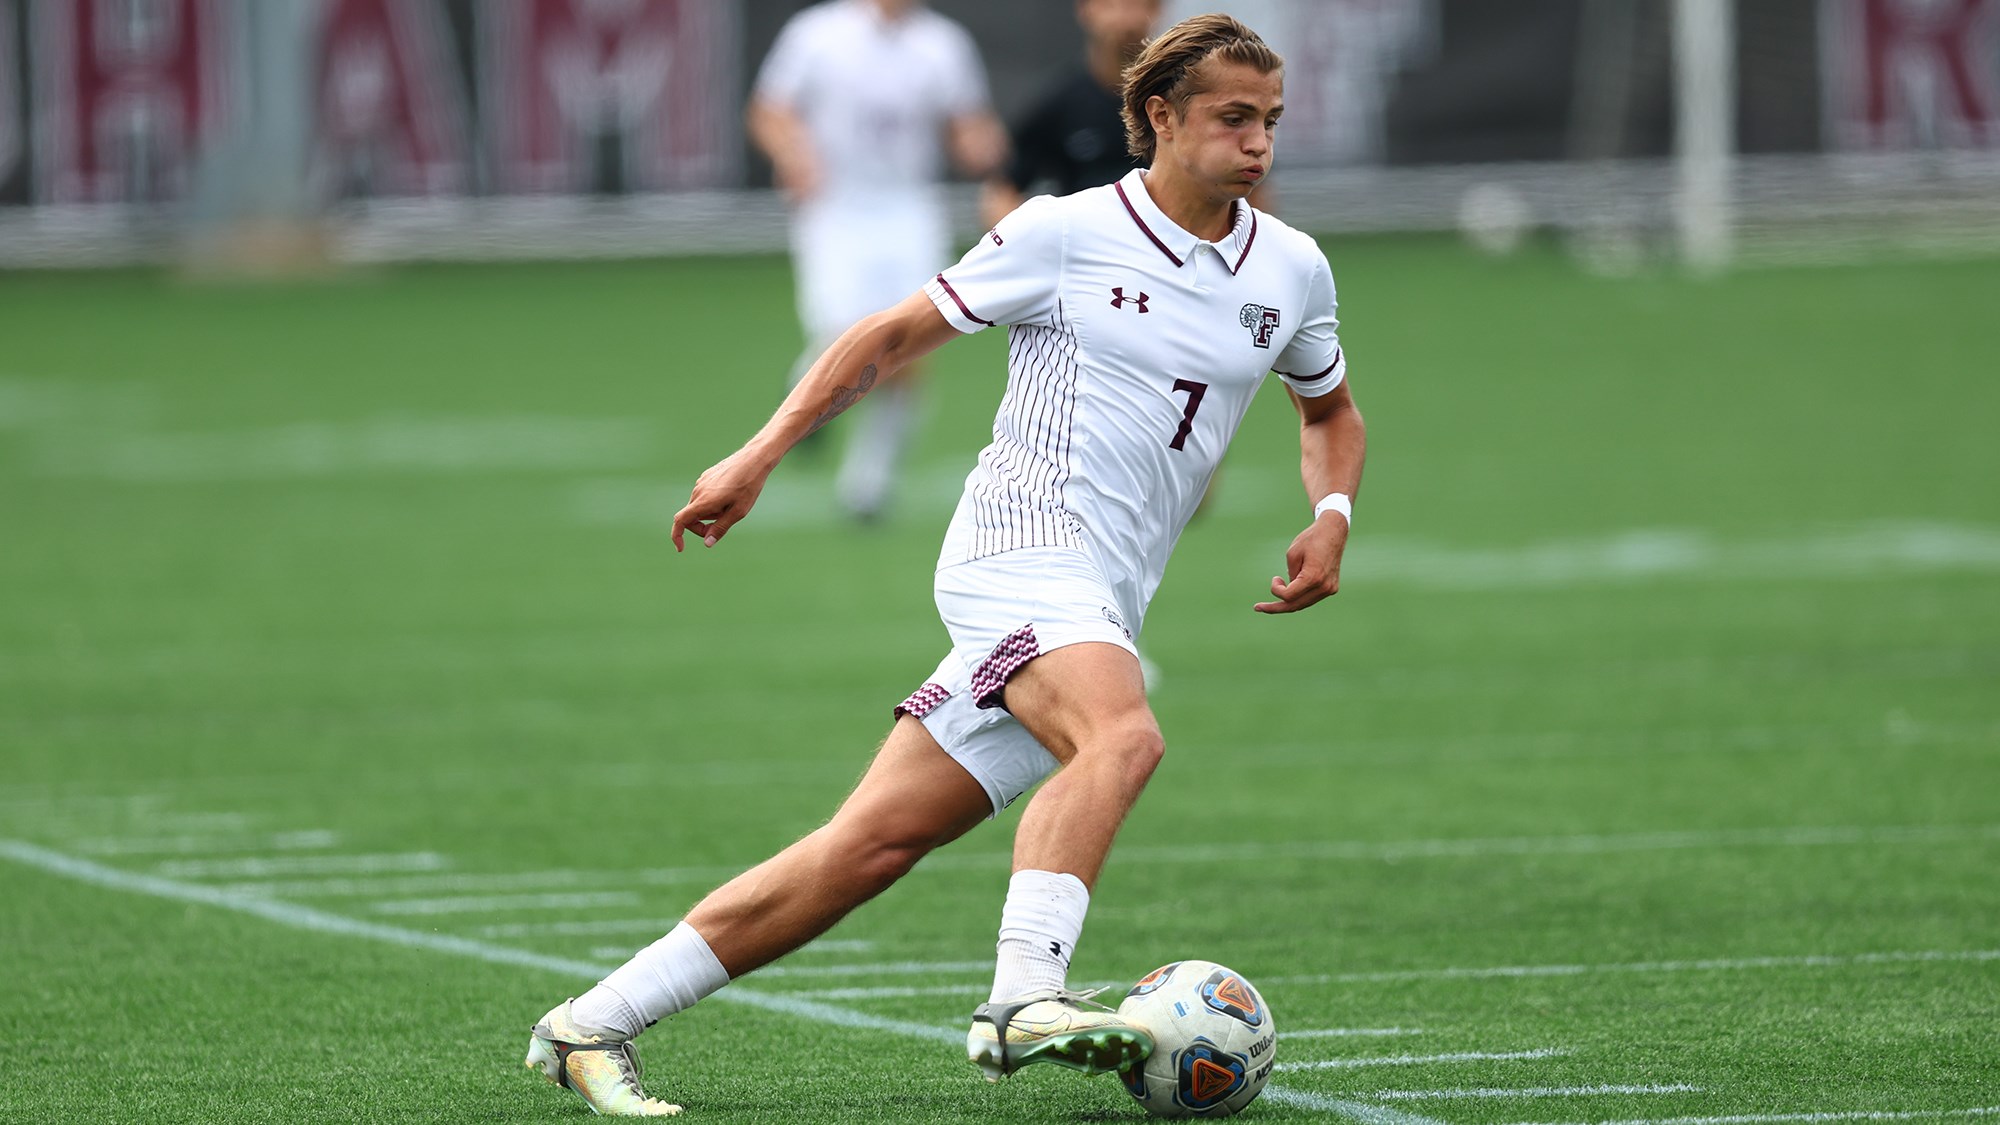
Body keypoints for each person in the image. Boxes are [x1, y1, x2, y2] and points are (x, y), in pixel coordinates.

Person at [525, 14, 1365, 1116]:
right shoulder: (1061, 232)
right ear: (1160, 118)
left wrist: (1331, 512)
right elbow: (885, 336)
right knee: (1122, 735)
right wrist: (760, 453)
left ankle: (591, 1023)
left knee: (867, 845)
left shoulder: (1291, 266)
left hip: (1102, 594)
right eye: (1233, 119)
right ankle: (1022, 998)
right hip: (1015, 550)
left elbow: (1329, 410)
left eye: (1270, 121)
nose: (1258, 143)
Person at [746, 0, 1005, 522]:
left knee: (912, 341)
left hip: (910, 209)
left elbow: (968, 124)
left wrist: (983, 148)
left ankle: (868, 485)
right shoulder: (817, 34)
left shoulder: (942, 43)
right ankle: (804, 389)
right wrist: (792, 154)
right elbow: (769, 110)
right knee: (844, 331)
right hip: (836, 206)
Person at [979, 0, 1161, 228]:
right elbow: (1003, 190)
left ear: (1157, 9)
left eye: (1136, 5)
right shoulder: (1059, 102)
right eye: (1110, 5)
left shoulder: (1177, 97)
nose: (1124, 19)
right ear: (1085, 10)